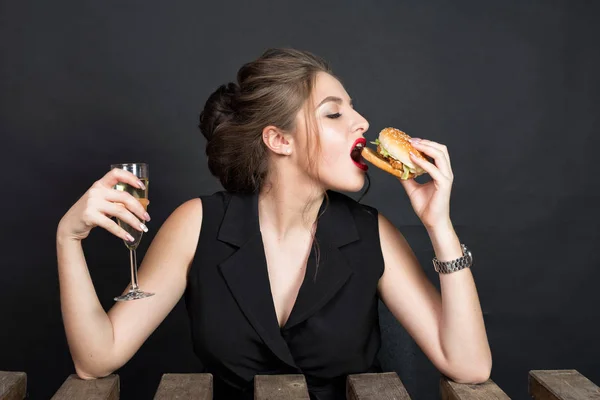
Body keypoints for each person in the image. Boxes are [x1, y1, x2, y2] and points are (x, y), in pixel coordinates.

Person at [56, 48, 491, 400]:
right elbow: (97, 359)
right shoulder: (197, 225)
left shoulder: (371, 232)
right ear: (278, 139)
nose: (362, 123)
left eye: (354, 110)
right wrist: (68, 238)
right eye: (333, 113)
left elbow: (469, 365)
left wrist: (440, 226)